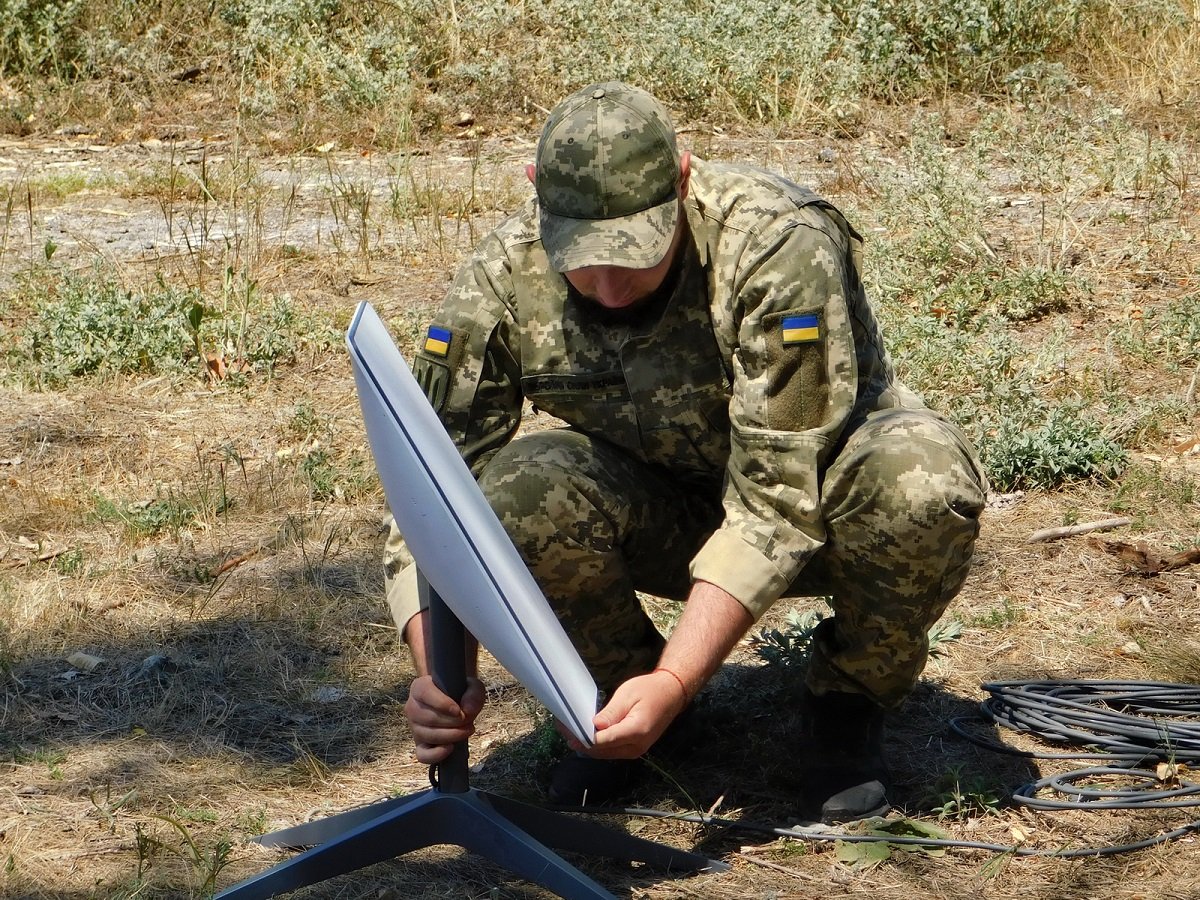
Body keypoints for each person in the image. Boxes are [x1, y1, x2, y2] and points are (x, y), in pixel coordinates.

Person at [383, 81, 987, 823]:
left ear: (683, 177)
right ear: (536, 193)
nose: (606, 287)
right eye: (581, 256)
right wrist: (440, 668)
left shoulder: (774, 244)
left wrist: (680, 678)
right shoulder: (501, 275)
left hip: (824, 508)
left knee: (919, 482)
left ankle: (846, 703)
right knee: (516, 493)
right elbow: (432, 489)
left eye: (632, 253)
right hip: (663, 513)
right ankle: (616, 699)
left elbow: (775, 498)